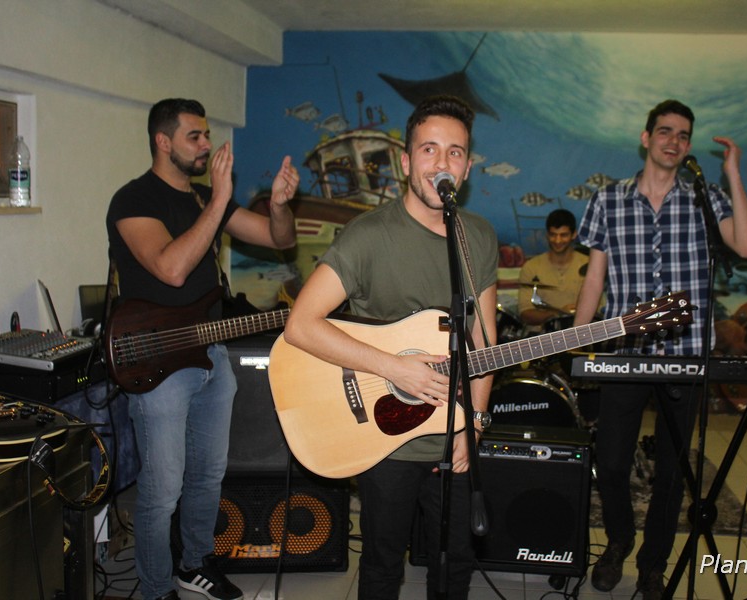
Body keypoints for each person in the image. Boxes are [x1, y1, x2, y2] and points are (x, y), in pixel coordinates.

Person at [283, 95, 498, 600]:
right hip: (382, 436)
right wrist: (394, 368)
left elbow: (485, 346)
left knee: (455, 565)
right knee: (382, 565)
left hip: (454, 436)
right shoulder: (367, 237)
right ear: (406, 162)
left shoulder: (478, 238)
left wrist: (474, 425)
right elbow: (301, 325)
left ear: (466, 168)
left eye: (455, 152)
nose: (441, 163)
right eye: (429, 149)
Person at [106, 98, 298, 600]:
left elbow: (278, 239)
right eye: (195, 136)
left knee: (209, 474)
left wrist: (279, 206)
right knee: (162, 488)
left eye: (207, 135)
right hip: (158, 364)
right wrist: (218, 202)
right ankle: (155, 588)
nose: (207, 145)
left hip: (210, 355)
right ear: (162, 141)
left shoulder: (203, 198)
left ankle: (194, 564)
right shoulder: (133, 200)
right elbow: (171, 269)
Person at [572, 99, 747, 599]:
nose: (673, 141)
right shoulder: (608, 200)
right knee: (612, 462)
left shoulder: (705, 197)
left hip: (687, 353)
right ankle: (618, 541)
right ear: (646, 137)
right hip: (627, 350)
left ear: (688, 145)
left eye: (682, 135)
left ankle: (654, 565)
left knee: (672, 473)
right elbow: (594, 280)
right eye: (665, 131)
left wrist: (733, 173)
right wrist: (577, 344)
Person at [516, 208, 588, 332]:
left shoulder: (588, 264)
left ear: (574, 234)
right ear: (547, 235)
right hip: (543, 336)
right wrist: (560, 314)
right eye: (553, 235)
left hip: (582, 334)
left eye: (563, 235)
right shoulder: (531, 267)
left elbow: (599, 310)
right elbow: (525, 313)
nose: (557, 240)